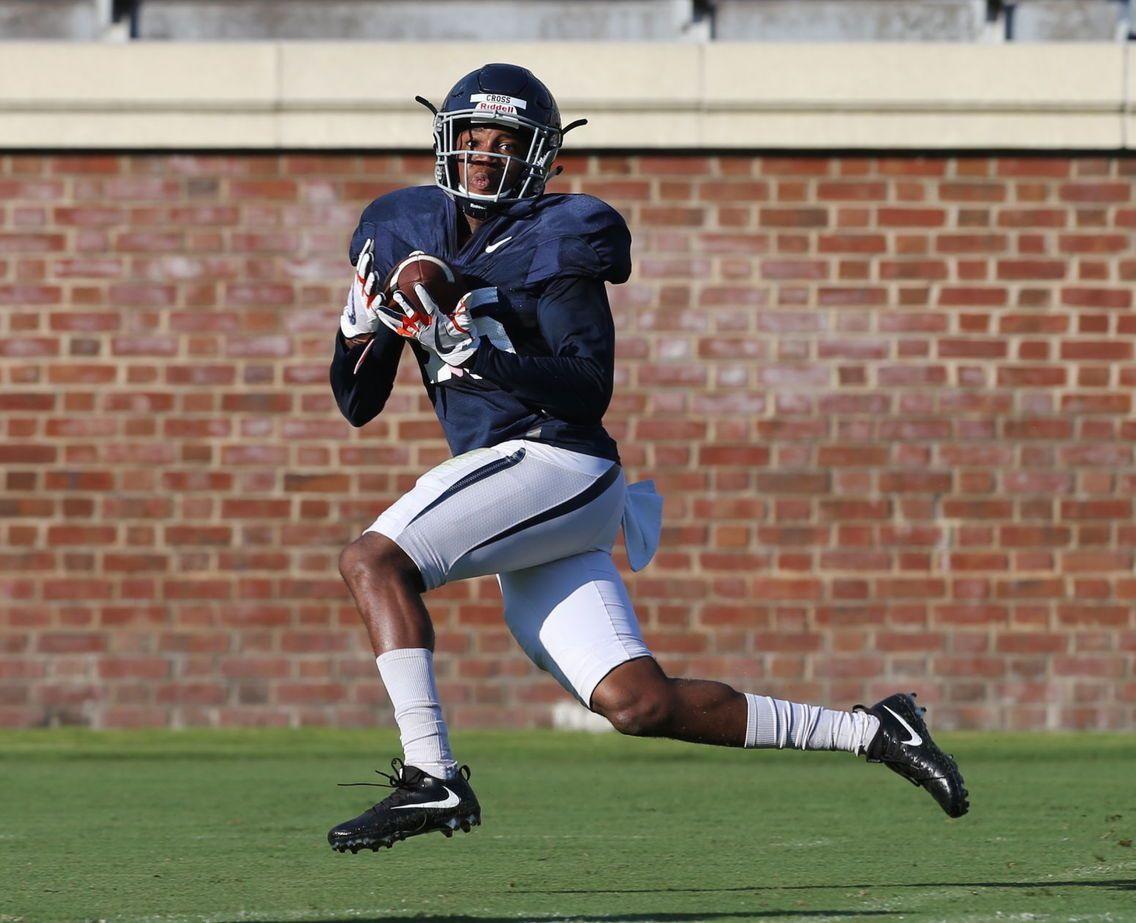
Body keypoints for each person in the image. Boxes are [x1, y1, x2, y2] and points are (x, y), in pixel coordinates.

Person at [326, 63, 969, 855]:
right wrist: (367, 325)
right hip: (517, 489)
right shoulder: (400, 228)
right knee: (638, 702)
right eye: (473, 137)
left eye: (505, 141)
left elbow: (588, 388)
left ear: (539, 155)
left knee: (374, 561)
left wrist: (469, 349)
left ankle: (432, 775)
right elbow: (358, 404)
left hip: (557, 463)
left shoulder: (559, 238)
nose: (485, 154)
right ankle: (875, 729)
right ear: (446, 142)